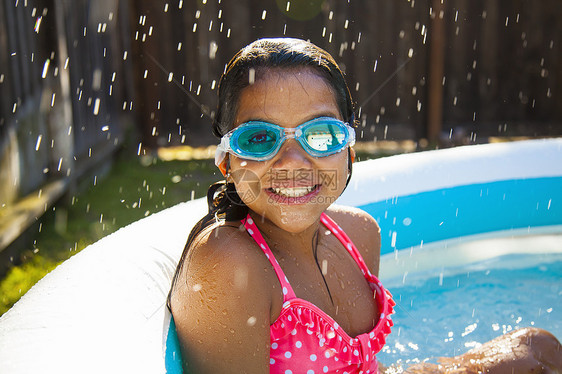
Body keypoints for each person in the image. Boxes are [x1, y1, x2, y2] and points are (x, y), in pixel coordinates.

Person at [168, 38, 561, 374]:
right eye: (259, 139)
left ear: (349, 151)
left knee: (537, 350)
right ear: (226, 161)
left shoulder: (358, 234)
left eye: (320, 135)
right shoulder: (229, 264)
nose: (292, 162)